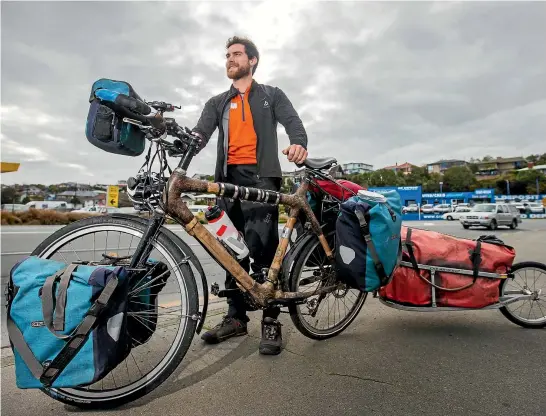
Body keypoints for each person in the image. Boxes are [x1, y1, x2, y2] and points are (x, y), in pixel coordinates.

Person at [191, 36, 308, 355]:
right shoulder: (216, 102)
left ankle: (271, 320)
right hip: (226, 182)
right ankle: (236, 317)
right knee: (231, 249)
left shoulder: (271, 94)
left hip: (261, 181)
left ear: (252, 60)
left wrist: (298, 144)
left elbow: (294, 125)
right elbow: (199, 135)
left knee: (264, 249)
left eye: (236, 54)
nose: (229, 59)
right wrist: (184, 147)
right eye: (227, 55)